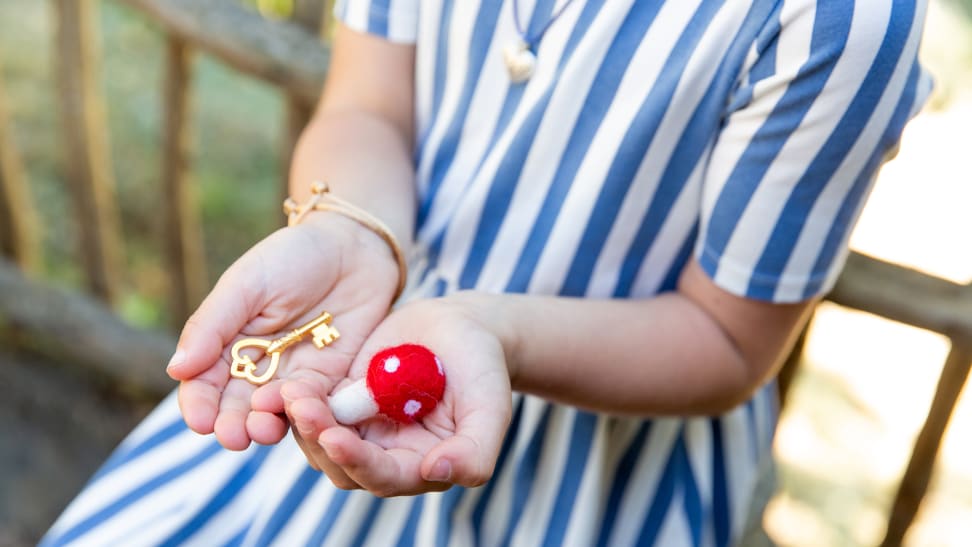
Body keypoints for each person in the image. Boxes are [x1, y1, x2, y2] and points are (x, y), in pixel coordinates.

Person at [43, 0, 931, 545]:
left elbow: (727, 340)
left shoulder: (843, 23)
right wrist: (357, 234)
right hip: (346, 354)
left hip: (593, 479)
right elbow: (367, 107)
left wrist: (493, 332)